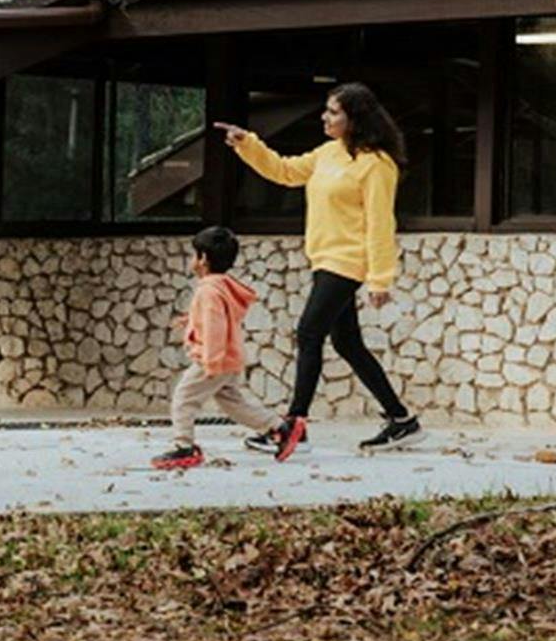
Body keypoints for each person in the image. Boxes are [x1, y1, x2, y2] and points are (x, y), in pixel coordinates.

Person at [214, 82, 420, 457]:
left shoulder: (377, 165)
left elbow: (380, 224)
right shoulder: (328, 154)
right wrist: (248, 144)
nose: (324, 117)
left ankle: (293, 426)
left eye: (333, 112)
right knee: (347, 343)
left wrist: (380, 278)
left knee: (309, 333)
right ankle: (401, 419)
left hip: (347, 261)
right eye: (326, 110)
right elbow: (285, 172)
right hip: (323, 258)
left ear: (354, 119)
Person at [152, 226, 287, 471]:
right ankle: (278, 427)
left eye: (194, 254)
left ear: (203, 259)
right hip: (228, 357)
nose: (192, 259)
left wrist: (211, 361)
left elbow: (215, 327)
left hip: (213, 358)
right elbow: (215, 317)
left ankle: (184, 445)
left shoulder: (208, 290)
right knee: (233, 404)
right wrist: (191, 319)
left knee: (184, 398)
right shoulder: (222, 285)